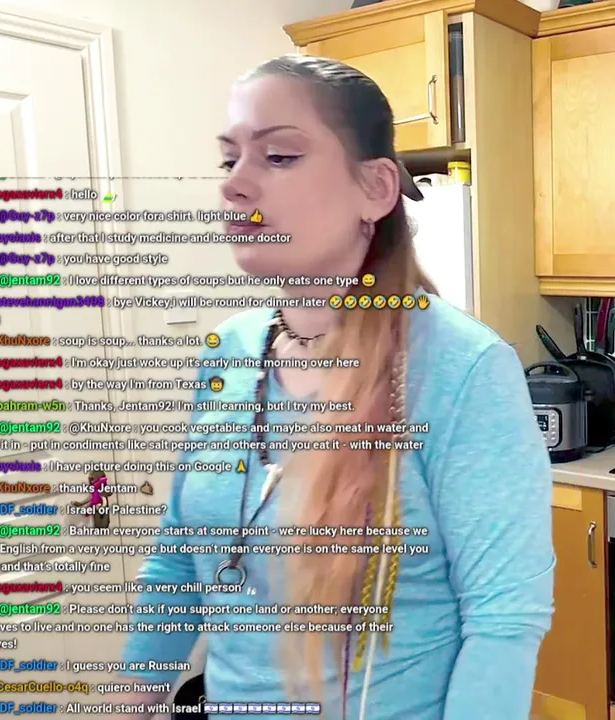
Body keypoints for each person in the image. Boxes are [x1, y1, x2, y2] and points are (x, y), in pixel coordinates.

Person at [112, 56, 555, 719]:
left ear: (374, 190)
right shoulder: (229, 351)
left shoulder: (463, 369)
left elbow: (503, 623)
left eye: (279, 156)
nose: (234, 185)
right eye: (229, 159)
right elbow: (179, 560)